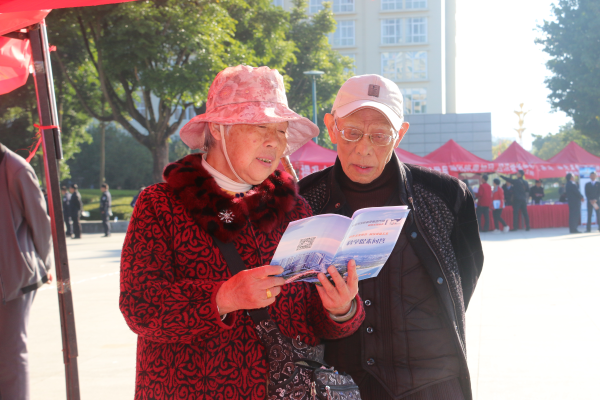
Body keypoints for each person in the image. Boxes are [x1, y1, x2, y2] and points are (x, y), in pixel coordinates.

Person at [119, 65, 365, 399]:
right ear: (219, 128)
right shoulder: (161, 205)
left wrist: (340, 310)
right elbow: (140, 307)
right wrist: (224, 297)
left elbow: (312, 322)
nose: (274, 143)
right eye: (261, 126)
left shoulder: (296, 210)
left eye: (280, 131)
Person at [299, 74, 483, 400]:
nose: (364, 148)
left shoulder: (445, 197)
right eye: (352, 132)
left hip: (431, 383)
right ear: (331, 127)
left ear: (400, 135)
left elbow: (461, 279)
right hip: (341, 382)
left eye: (381, 135)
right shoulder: (304, 202)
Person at [0, 142, 52, 400]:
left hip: (12, 279)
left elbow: (39, 222)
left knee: (10, 353)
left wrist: (45, 264)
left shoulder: (15, 168)